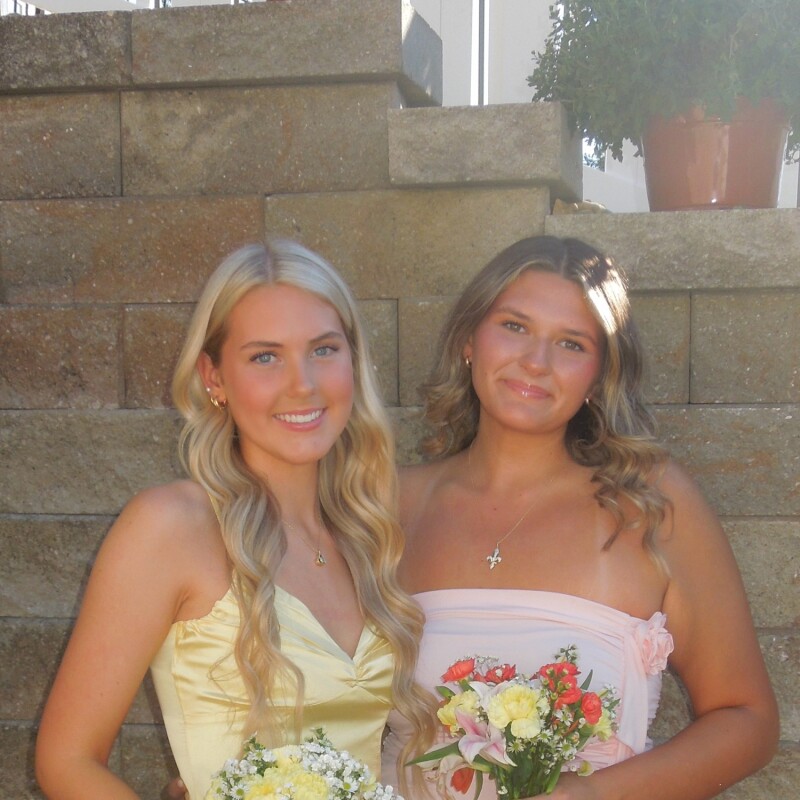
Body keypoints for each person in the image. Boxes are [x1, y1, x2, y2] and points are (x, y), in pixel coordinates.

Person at [381, 236, 779, 799]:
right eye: (514, 326)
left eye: (571, 343)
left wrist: (587, 796)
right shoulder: (390, 503)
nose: (535, 362)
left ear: (599, 376)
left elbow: (748, 721)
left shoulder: (649, 504)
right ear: (469, 339)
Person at [35, 240, 433, 800]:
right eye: (265, 357)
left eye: (323, 349)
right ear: (214, 378)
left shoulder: (367, 534)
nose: (303, 383)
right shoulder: (172, 526)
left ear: (354, 360)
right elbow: (66, 761)